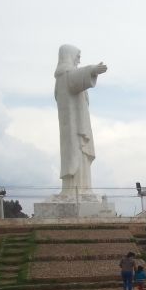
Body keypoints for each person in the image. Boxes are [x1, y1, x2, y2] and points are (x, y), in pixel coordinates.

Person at [54, 44, 107, 199]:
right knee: (78, 157)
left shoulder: (64, 76)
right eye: (77, 55)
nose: (79, 58)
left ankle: (82, 190)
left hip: (76, 128)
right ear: (69, 55)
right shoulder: (65, 75)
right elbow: (76, 78)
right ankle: (77, 192)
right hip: (74, 130)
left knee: (81, 159)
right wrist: (91, 69)